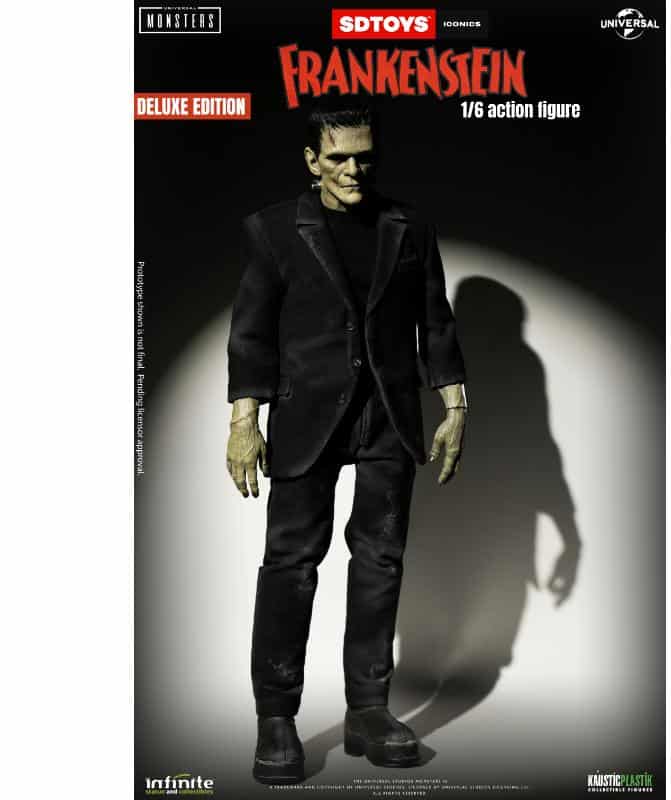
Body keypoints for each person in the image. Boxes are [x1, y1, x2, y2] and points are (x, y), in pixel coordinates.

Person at [226, 102, 467, 785]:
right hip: (306, 417)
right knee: (291, 563)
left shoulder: (409, 226)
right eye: (337, 157)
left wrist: (455, 405)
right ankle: (277, 716)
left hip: (389, 414)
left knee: (380, 560)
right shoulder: (275, 229)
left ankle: (368, 708)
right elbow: (251, 332)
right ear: (312, 161)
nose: (353, 169)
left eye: (363, 156)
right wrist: (244, 422)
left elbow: (436, 321)